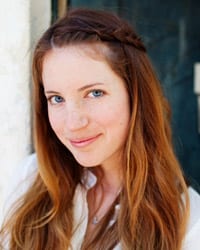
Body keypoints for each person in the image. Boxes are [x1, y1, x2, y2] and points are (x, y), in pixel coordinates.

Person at [1, 8, 200, 250]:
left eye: (95, 93)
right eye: (56, 98)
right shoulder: (30, 178)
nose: (73, 123)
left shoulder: (188, 221)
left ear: (135, 96)